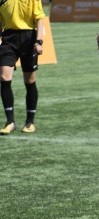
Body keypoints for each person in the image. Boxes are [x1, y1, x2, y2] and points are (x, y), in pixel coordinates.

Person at [0, 0, 46, 134]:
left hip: (29, 38)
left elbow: (39, 19)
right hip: (8, 38)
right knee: (4, 77)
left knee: (30, 80)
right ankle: (10, 122)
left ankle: (30, 121)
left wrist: (39, 41)